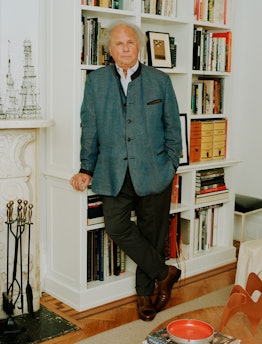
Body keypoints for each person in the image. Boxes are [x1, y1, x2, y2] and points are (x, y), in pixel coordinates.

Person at [70, 22, 182, 321]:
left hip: (155, 171)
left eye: (130, 42)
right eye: (118, 44)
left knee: (152, 234)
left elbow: (173, 126)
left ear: (139, 45)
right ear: (110, 49)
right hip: (112, 171)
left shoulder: (160, 80)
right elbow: (90, 127)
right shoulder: (96, 82)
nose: (125, 48)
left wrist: (171, 164)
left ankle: (144, 296)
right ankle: (165, 272)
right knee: (117, 226)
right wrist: (85, 167)